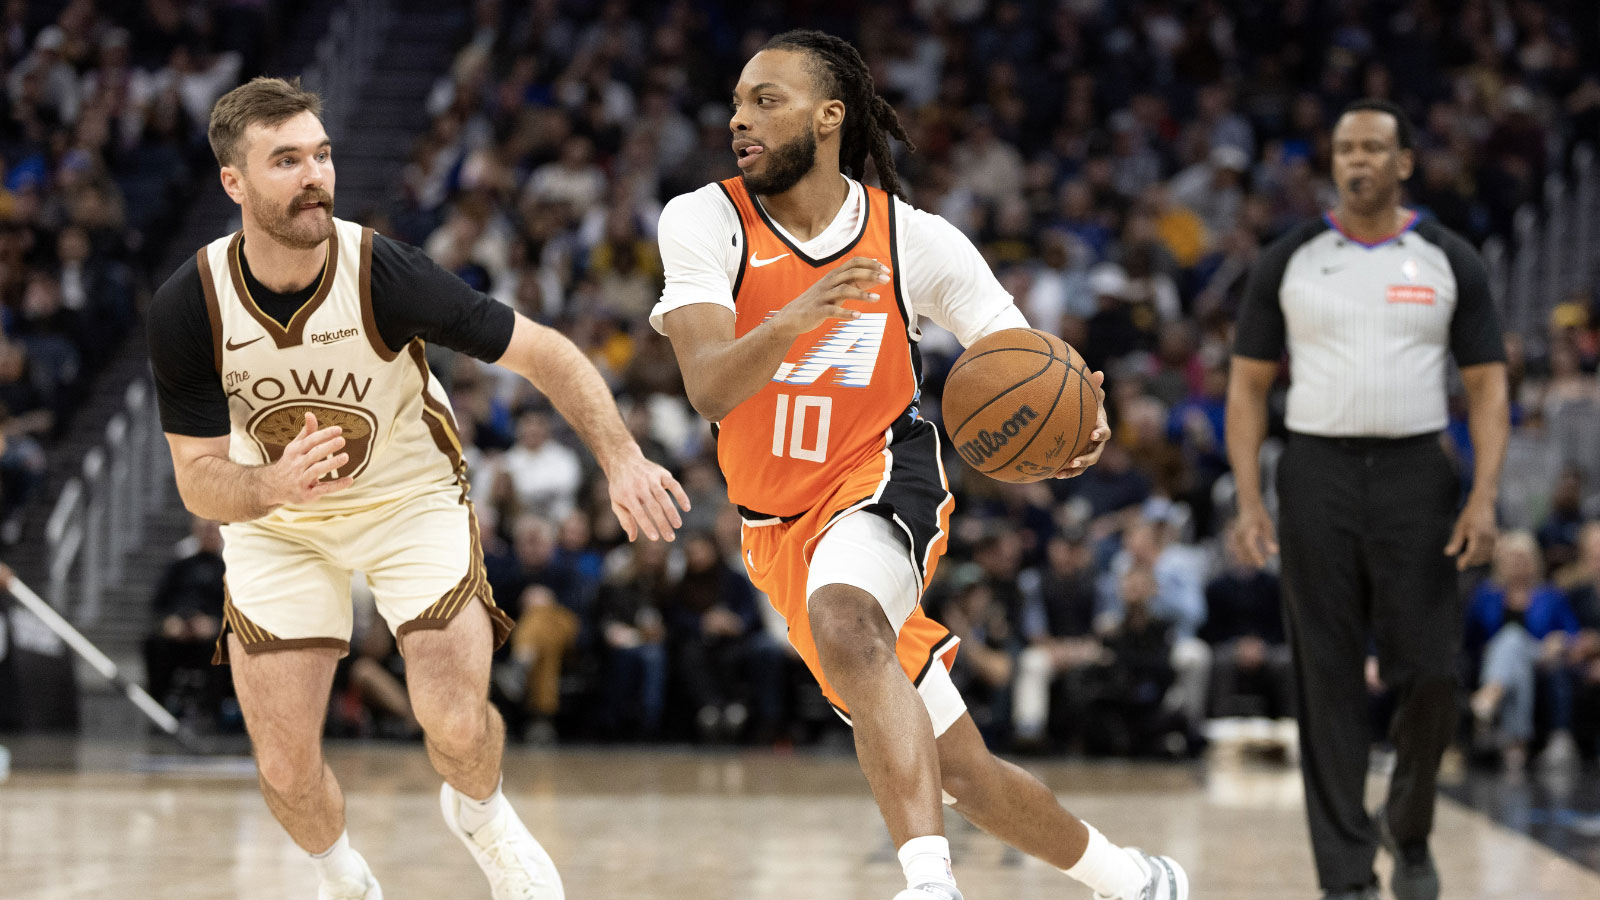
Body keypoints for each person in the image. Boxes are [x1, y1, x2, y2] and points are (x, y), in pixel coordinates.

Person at [653, 30, 1186, 900]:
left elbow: (1017, 357)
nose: (739, 119)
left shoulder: (916, 240)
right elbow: (709, 388)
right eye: (738, 102)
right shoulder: (703, 219)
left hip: (881, 473)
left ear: (831, 117)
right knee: (964, 773)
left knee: (845, 614)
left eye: (766, 100)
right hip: (773, 528)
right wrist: (795, 317)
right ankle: (1138, 881)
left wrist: (1074, 424)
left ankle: (929, 885)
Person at [146, 77, 688, 900]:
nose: (315, 176)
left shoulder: (381, 272)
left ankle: (485, 817)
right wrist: (271, 486)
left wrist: (621, 459)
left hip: (409, 499)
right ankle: (343, 878)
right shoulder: (190, 305)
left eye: (321, 155)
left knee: (457, 721)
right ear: (234, 183)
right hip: (279, 517)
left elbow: (544, 350)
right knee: (287, 770)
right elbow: (197, 481)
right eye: (286, 160)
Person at [1226, 99, 1509, 900]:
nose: (1358, 160)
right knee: (1327, 678)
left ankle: (1409, 829)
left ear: (1404, 163)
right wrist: (1250, 500)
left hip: (1419, 476)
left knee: (1432, 673)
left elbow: (1488, 389)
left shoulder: (1449, 257)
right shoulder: (1291, 258)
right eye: (1346, 147)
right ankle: (1346, 877)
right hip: (1315, 473)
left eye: (1375, 148)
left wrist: (1484, 497)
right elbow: (1247, 390)